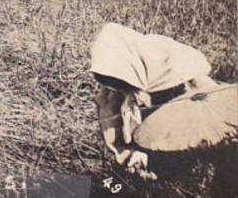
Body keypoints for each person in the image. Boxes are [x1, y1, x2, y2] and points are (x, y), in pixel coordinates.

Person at [90, 23, 237, 181]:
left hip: (193, 122)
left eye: (120, 83)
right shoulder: (113, 92)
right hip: (152, 137)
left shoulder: (170, 62)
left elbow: (214, 101)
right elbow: (113, 130)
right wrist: (130, 154)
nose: (118, 88)